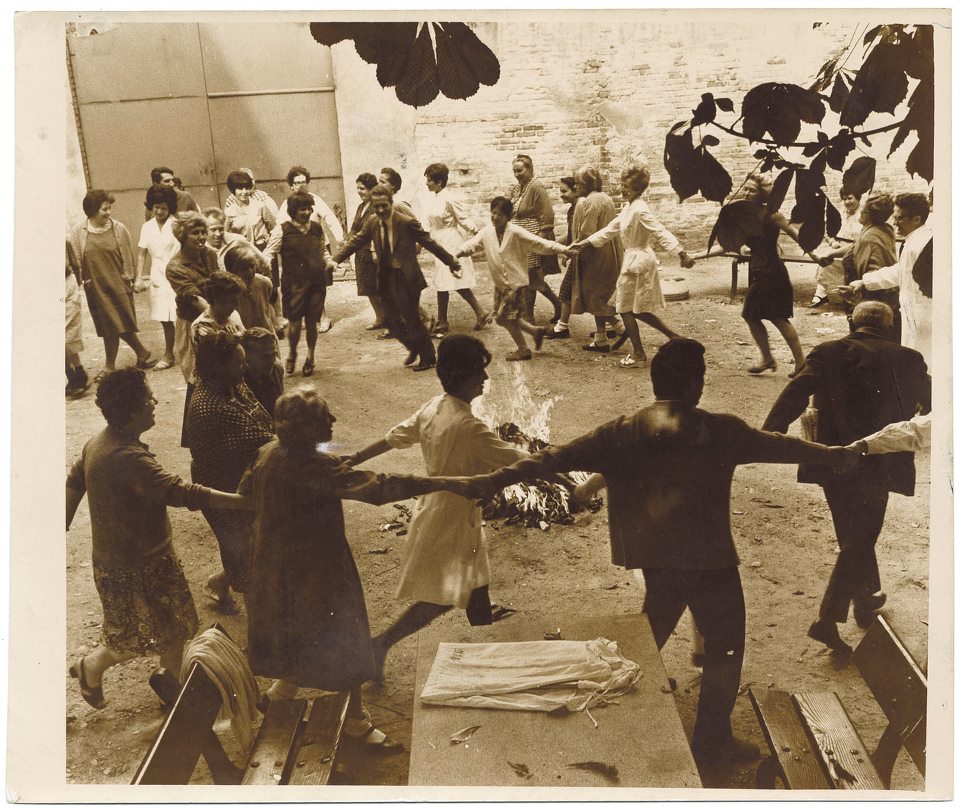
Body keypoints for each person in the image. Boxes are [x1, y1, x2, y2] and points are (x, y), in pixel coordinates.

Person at [451, 338, 857, 763]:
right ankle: (712, 740)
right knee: (724, 643)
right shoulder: (721, 429)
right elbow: (784, 447)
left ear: (655, 381)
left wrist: (489, 480)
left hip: (654, 555)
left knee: (652, 631)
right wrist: (836, 454)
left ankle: (601, 697)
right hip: (708, 560)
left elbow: (551, 459)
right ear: (697, 384)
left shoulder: (621, 430)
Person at [236, 385, 473, 748]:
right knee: (344, 634)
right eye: (323, 418)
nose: (333, 420)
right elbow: (382, 487)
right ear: (304, 430)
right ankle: (357, 723)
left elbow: (247, 492)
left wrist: (339, 463)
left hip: (272, 562)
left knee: (291, 626)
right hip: (319, 567)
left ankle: (282, 690)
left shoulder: (267, 454)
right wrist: (450, 483)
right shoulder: (315, 466)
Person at [346, 335, 528, 681]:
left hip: (440, 508)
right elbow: (520, 460)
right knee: (446, 595)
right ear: (464, 376)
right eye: (480, 374)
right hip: (452, 517)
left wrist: (356, 457)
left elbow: (393, 437)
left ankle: (484, 649)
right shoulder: (469, 426)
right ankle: (382, 643)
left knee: (476, 587)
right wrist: (568, 470)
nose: (485, 380)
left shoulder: (435, 407)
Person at [66, 368, 249, 709]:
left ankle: (170, 682)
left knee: (175, 623)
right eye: (148, 399)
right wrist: (240, 501)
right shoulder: (128, 458)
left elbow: (76, 477)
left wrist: (62, 519)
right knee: (132, 635)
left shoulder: (102, 441)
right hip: (136, 564)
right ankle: (91, 666)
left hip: (136, 558)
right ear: (132, 411)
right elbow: (181, 492)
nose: (156, 403)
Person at [762, 301, 931, 653]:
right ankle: (828, 619)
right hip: (878, 460)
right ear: (888, 326)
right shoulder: (908, 358)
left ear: (851, 322)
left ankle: (866, 597)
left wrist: (773, 432)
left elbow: (795, 390)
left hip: (831, 456)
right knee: (862, 535)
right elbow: (931, 402)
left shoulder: (827, 352)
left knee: (852, 533)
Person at [693, 173, 819, 375]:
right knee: (751, 315)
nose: (746, 192)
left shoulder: (773, 215)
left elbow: (797, 236)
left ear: (763, 194)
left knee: (778, 318)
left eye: (752, 190)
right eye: (746, 188)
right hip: (758, 271)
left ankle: (800, 362)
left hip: (772, 273)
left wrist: (815, 255)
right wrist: (696, 256)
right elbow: (727, 246)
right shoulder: (743, 217)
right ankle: (768, 359)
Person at [570, 163, 694, 368]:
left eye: (628, 186)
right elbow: (610, 229)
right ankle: (673, 336)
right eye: (622, 184)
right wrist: (584, 243)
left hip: (640, 260)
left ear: (639, 188)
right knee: (633, 309)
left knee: (626, 309)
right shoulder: (628, 208)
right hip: (632, 260)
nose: (623, 189)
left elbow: (659, 230)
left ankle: (638, 354)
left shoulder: (640, 209)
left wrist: (680, 253)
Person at [185, 333, 274, 613]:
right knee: (248, 555)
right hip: (223, 490)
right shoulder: (211, 406)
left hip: (243, 476)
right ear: (218, 367)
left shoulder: (232, 384)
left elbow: (263, 422)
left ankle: (220, 583)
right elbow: (265, 440)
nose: (244, 368)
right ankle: (260, 630)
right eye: (238, 364)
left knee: (254, 544)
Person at [332, 183, 462, 372]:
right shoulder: (372, 222)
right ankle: (414, 347)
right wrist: (336, 260)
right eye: (376, 206)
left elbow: (430, 243)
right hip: (386, 278)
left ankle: (428, 357)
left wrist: (451, 262)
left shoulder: (406, 222)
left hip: (407, 278)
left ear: (391, 203)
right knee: (389, 320)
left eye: (384, 205)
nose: (381, 209)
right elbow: (356, 241)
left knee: (411, 319)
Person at [456, 197, 570, 361]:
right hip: (501, 285)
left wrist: (564, 250)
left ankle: (523, 349)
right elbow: (472, 244)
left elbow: (540, 244)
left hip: (517, 284)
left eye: (500, 215)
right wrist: (456, 255)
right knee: (506, 319)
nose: (495, 218)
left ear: (508, 217)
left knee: (503, 317)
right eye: (493, 213)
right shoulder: (487, 232)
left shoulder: (516, 232)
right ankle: (535, 331)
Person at [68, 190, 157, 380]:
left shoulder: (119, 228)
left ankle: (110, 366)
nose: (109, 212)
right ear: (92, 211)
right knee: (110, 323)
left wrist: (133, 279)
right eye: (104, 209)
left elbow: (128, 256)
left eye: (109, 208)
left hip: (118, 282)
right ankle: (141, 352)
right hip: (96, 286)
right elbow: (76, 260)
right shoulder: (79, 232)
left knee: (118, 322)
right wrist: (80, 282)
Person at [843, 192, 933, 368]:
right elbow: (900, 271)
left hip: (922, 313)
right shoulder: (914, 241)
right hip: (914, 311)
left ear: (916, 219)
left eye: (899, 218)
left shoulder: (919, 245)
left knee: (923, 360)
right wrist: (865, 282)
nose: (894, 222)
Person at [261, 191, 337, 377]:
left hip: (316, 283)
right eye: (303, 209)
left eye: (309, 208)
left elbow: (323, 251)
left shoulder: (317, 229)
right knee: (294, 326)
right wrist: (262, 267)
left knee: (312, 323)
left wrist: (329, 261)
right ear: (293, 211)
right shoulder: (282, 229)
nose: (307, 212)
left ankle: (310, 356)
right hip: (293, 285)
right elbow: (269, 253)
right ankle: (293, 352)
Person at [274, 165, 345, 334]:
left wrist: (339, 237)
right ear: (291, 185)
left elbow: (330, 218)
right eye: (297, 183)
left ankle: (324, 317)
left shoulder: (315, 200)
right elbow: (279, 226)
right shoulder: (286, 204)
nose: (301, 185)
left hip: (316, 247)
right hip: (296, 251)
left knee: (317, 284)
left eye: (304, 182)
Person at [422, 162, 490, 335]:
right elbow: (429, 224)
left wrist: (478, 234)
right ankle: (444, 320)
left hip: (451, 241)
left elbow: (463, 219)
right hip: (438, 240)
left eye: (429, 180)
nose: (426, 183)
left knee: (454, 278)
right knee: (442, 282)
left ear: (439, 182)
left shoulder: (449, 198)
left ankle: (478, 313)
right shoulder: (433, 198)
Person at [568, 166, 623, 353]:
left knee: (596, 294)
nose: (576, 187)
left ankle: (607, 336)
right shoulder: (606, 198)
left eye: (578, 183)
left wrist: (574, 248)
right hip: (609, 251)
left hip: (595, 254)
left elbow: (587, 231)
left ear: (587, 184)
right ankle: (606, 334)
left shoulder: (589, 202)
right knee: (602, 295)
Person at [831, 193, 899, 337]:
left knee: (868, 340)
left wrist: (856, 289)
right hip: (871, 296)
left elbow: (875, 270)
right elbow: (854, 246)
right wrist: (829, 254)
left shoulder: (870, 238)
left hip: (868, 305)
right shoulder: (881, 229)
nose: (860, 212)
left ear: (870, 215)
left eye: (863, 210)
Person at [165, 212, 219, 387]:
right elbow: (195, 298)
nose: (202, 237)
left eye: (203, 232)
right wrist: (222, 321)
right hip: (192, 323)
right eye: (195, 233)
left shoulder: (210, 254)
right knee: (197, 378)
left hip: (216, 316)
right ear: (182, 236)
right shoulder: (175, 267)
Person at [508, 154, 563, 324]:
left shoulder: (537, 186)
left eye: (520, 170)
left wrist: (542, 239)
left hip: (533, 236)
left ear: (530, 169)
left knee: (532, 274)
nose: (517, 174)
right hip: (520, 236)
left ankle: (529, 316)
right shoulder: (518, 188)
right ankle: (558, 305)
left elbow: (547, 213)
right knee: (531, 276)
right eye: (514, 171)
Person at [135, 183, 180, 370]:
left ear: (170, 207)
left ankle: (191, 350)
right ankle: (169, 353)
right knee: (165, 317)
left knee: (182, 314)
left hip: (177, 274)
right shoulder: (147, 227)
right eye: (156, 207)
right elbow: (141, 254)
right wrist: (138, 278)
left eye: (164, 208)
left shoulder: (177, 225)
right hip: (158, 277)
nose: (160, 211)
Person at [810, 189, 862, 307]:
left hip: (856, 247)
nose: (847, 202)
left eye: (850, 198)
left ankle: (851, 294)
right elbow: (828, 232)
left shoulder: (863, 214)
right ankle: (821, 293)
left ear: (858, 198)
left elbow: (865, 235)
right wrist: (832, 242)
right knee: (825, 259)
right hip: (838, 246)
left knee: (844, 260)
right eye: (844, 199)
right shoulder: (839, 213)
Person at [350, 172, 388, 332]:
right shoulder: (361, 207)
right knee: (368, 289)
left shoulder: (376, 206)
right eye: (358, 188)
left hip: (373, 252)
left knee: (379, 288)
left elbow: (378, 229)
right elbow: (354, 227)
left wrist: (374, 249)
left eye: (362, 188)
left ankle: (389, 320)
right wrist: (350, 239)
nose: (359, 191)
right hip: (361, 252)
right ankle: (379, 318)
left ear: (372, 189)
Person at [545, 176, 580, 340]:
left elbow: (578, 235)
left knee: (566, 290)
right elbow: (571, 234)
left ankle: (562, 327)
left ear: (576, 190)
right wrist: (554, 245)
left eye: (564, 191)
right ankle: (616, 326)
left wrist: (566, 252)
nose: (561, 195)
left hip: (580, 255)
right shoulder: (572, 209)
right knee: (588, 293)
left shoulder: (578, 208)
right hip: (577, 253)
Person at [222, 240, 277, 332]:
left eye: (252, 266)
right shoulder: (227, 290)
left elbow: (268, 305)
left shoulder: (264, 283)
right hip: (244, 336)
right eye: (243, 269)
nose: (250, 272)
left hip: (266, 335)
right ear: (232, 271)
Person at [224, 169, 278, 253]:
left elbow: (274, 228)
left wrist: (269, 243)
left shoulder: (260, 206)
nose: (244, 192)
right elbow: (224, 234)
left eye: (247, 188)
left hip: (262, 248)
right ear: (232, 190)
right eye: (240, 188)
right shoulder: (229, 211)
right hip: (242, 251)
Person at [65, 240, 90, 399]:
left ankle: (78, 374)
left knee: (68, 335)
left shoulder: (63, 241)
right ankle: (72, 375)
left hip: (67, 287)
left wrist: (80, 286)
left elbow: (75, 264)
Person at [241, 327, 285, 417]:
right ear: (247, 356)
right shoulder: (239, 380)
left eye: (274, 355)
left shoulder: (276, 368)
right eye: (264, 357)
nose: (271, 361)